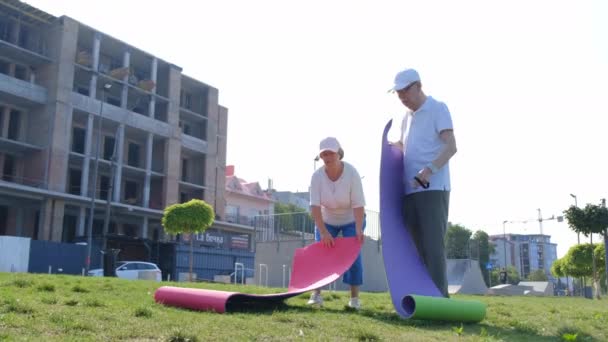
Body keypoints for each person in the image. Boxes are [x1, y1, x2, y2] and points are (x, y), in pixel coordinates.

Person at [389, 68, 458, 298]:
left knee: (433, 247)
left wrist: (429, 170)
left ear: (418, 86)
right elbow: (404, 147)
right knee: (414, 248)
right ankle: (421, 298)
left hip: (432, 188)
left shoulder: (438, 108)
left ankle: (440, 299)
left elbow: (451, 147)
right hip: (409, 190)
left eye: (405, 92)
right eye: (398, 94)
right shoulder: (406, 118)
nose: (402, 98)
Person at [307, 137, 366, 309]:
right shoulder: (317, 177)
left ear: (338, 153)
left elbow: (358, 204)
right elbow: (315, 207)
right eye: (324, 154)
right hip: (327, 220)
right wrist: (324, 232)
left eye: (331, 153)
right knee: (321, 254)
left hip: (351, 219)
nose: (327, 157)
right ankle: (316, 295)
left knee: (353, 256)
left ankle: (354, 299)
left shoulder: (352, 173)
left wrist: (358, 229)